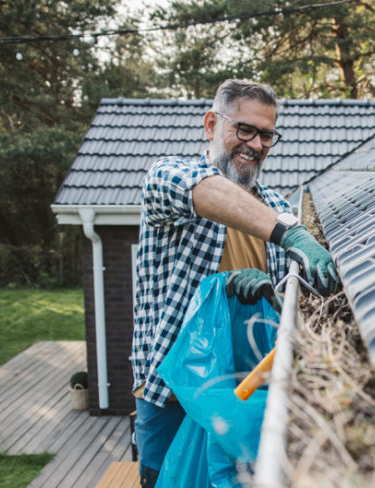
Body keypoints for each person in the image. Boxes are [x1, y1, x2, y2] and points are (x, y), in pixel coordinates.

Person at [131, 79, 338, 487]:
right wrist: (290, 235)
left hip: (242, 402)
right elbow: (196, 188)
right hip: (170, 397)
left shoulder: (277, 208)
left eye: (266, 134)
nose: (256, 145)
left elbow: (285, 304)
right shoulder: (168, 179)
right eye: (244, 129)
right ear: (211, 125)